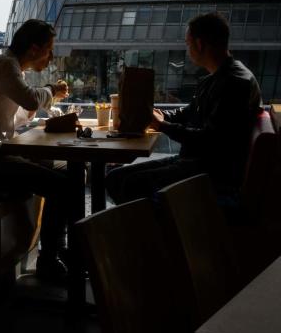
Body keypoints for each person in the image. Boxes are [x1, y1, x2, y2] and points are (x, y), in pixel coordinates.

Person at [105, 12, 262, 205]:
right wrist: (161, 116)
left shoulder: (234, 84)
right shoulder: (221, 78)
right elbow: (188, 113)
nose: (187, 49)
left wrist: (163, 126)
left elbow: (209, 140)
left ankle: (155, 228)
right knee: (114, 177)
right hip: (194, 162)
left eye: (188, 43)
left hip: (208, 173)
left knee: (126, 183)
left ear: (199, 44)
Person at [0, 19, 71, 279]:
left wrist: (39, 106)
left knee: (67, 171)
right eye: (49, 48)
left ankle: (58, 249)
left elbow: (17, 115)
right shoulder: (3, 65)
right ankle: (50, 259)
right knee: (62, 184)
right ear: (34, 49)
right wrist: (52, 91)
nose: (51, 55)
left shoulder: (9, 68)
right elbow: (32, 98)